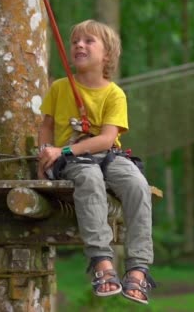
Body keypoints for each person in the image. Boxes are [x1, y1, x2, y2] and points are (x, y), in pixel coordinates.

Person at [37, 19, 155, 304]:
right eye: (76, 40)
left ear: (107, 55)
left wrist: (60, 152)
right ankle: (102, 262)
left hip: (107, 154)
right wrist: (43, 151)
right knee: (89, 181)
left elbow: (106, 139)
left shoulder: (114, 94)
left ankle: (138, 269)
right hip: (75, 158)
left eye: (89, 41)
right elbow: (47, 124)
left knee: (138, 185)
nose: (79, 44)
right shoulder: (60, 88)